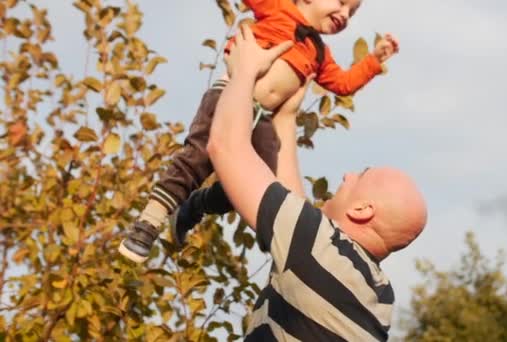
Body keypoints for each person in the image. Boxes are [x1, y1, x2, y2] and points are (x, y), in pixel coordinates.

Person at [119, 0, 400, 262]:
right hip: (229, 95)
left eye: (352, 13)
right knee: (196, 159)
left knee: (257, 185)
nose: (344, 15)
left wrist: (374, 61)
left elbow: (343, 83)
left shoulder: (320, 52)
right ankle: (148, 222)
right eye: (341, 3)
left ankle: (197, 204)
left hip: (263, 119)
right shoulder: (278, 7)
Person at [208, 25, 427, 341]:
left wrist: (243, 72)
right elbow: (296, 215)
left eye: (360, 177)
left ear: (363, 210)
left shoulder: (317, 249)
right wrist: (286, 117)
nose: (347, 176)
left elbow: (226, 147)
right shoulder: (376, 294)